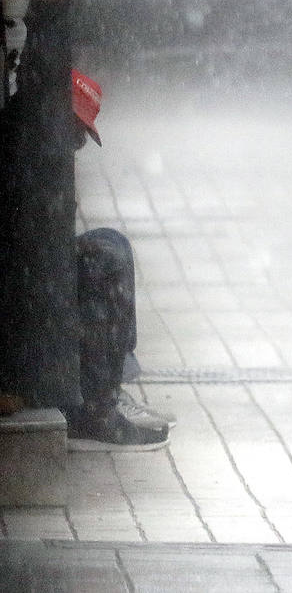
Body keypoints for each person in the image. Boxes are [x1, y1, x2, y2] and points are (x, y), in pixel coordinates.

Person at [63, 70, 174, 451]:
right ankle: (99, 407)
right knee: (106, 256)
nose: (77, 146)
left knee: (110, 246)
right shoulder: (33, 152)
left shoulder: (43, 153)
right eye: (77, 136)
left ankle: (110, 388)